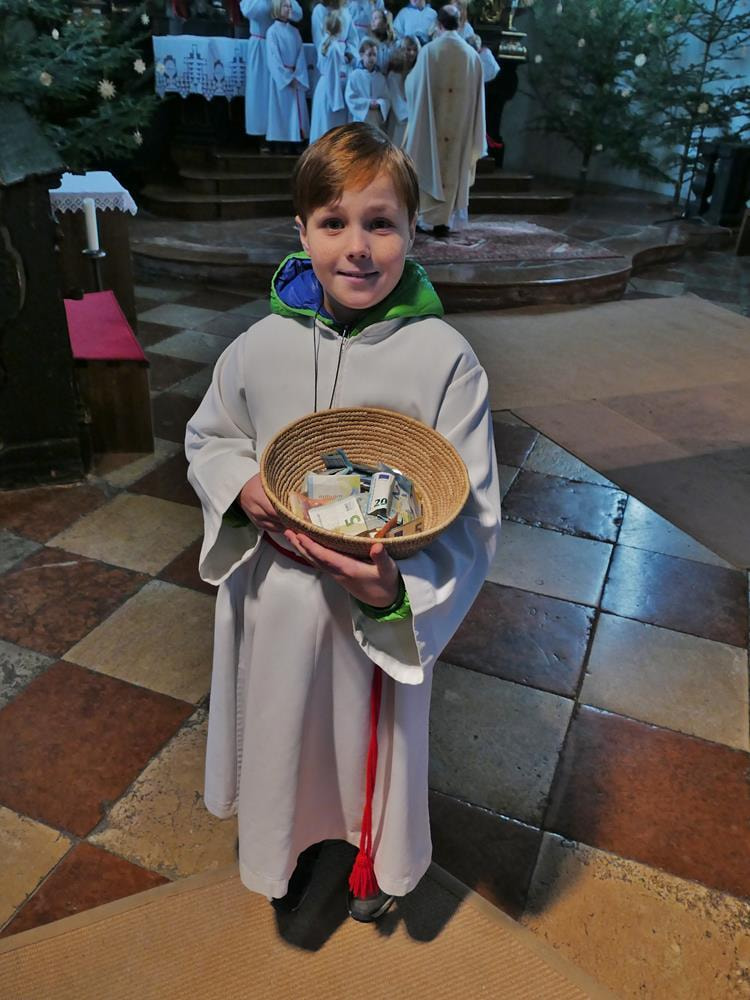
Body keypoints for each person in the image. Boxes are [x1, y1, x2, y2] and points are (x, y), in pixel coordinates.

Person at [185, 122, 501, 923]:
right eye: (333, 223)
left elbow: (472, 515)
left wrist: (397, 590)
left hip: (371, 604)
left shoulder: (445, 360)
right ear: (302, 231)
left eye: (380, 223)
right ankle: (284, 847)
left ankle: (373, 854)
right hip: (282, 597)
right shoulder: (260, 345)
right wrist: (240, 484)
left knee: (368, 737)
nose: (357, 248)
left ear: (411, 230)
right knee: (285, 733)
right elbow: (212, 435)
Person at [404, 4, 484, 237]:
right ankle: (445, 221)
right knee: (453, 166)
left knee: (429, 162)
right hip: (459, 127)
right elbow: (478, 100)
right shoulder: (472, 56)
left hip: (433, 124)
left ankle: (428, 219)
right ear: (459, 24)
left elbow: (412, 87)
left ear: (438, 24)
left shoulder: (429, 52)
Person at [240, 0, 303, 141]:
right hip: (260, 44)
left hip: (281, 46)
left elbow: (298, 14)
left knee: (278, 93)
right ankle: (261, 135)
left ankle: (279, 134)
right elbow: (248, 11)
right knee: (261, 92)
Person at [265, 0, 309, 151]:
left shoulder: (295, 32)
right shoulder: (272, 31)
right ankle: (280, 143)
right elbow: (273, 59)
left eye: (290, 6)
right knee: (281, 111)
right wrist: (286, 78)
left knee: (295, 112)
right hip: (282, 79)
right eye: (285, 6)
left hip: (295, 76)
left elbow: (301, 55)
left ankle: (295, 141)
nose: (289, 8)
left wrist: (298, 75)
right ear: (277, 7)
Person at [310, 12, 351, 143]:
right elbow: (332, 74)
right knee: (329, 128)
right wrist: (336, 102)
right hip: (331, 91)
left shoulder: (325, 42)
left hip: (323, 87)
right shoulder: (333, 47)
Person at [345, 38, 390, 130]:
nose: (372, 58)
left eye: (374, 55)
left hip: (375, 119)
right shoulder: (355, 75)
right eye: (369, 54)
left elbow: (387, 98)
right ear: (362, 55)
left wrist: (380, 103)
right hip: (360, 119)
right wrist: (367, 104)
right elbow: (350, 97)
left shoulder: (380, 77)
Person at [386, 36, 419, 146]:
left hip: (414, 119)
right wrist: (411, 114)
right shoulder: (394, 74)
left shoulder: (417, 72)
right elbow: (396, 100)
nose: (412, 53)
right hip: (401, 120)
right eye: (408, 49)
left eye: (415, 50)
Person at [369, 8, 396, 73]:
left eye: (376, 18)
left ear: (385, 22)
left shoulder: (393, 44)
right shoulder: (368, 42)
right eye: (372, 18)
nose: (372, 21)